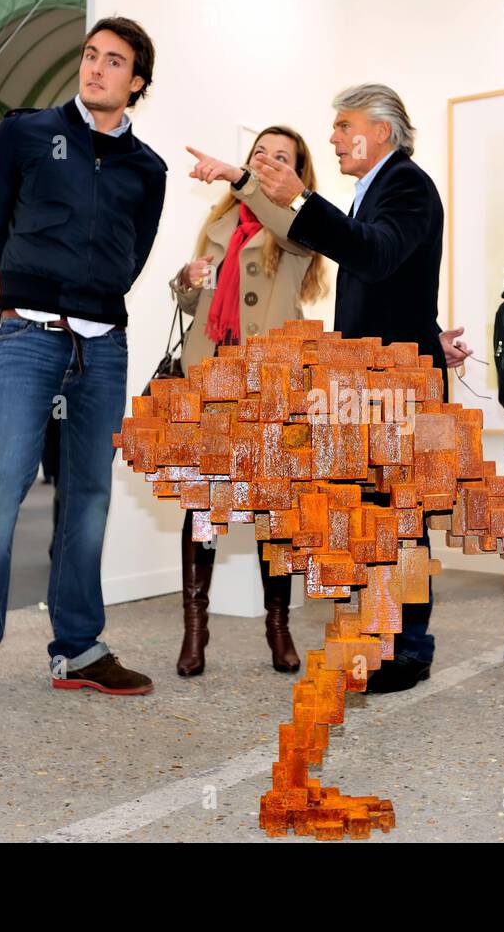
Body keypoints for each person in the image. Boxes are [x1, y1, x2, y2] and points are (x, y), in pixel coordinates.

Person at [188, 83, 470, 694]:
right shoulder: (377, 190)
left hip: (394, 380)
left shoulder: (407, 185)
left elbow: (374, 255)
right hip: (377, 375)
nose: (336, 137)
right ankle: (385, 638)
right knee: (379, 517)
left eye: (344, 126)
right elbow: (391, 273)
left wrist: (303, 195)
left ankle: (406, 650)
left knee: (400, 518)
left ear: (383, 131)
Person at [0, 16, 167, 710]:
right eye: (90, 55)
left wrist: (79, 294)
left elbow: (130, 260)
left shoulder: (147, 169)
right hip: (25, 337)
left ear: (138, 83)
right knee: (2, 485)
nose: (95, 68)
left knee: (89, 496)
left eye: (114, 61)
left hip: (103, 345)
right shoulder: (25, 134)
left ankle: (79, 649)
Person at [175, 126, 327, 676]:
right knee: (203, 509)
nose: (265, 162)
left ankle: (278, 626)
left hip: (272, 383)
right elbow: (197, 305)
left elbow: (292, 233)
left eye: (280, 157)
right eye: (258, 153)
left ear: (297, 173)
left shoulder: (300, 222)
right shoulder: (219, 225)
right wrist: (188, 281)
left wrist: (245, 182)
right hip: (213, 380)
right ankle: (196, 628)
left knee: (272, 511)